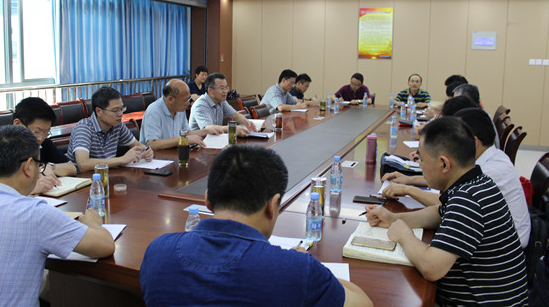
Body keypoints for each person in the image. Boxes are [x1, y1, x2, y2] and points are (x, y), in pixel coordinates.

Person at [139, 145, 372, 307]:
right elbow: (364, 304)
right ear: (272, 206)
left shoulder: (157, 251)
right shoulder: (296, 270)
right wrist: (311, 268)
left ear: (207, 200)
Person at [369, 118, 528, 306]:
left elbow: (432, 267)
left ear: (444, 164)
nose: (421, 167)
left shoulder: (468, 199)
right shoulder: (476, 182)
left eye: (423, 160)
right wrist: (394, 218)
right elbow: (438, 213)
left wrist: (404, 234)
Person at [0, 125, 115, 306]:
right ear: (28, 166)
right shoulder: (34, 213)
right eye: (39, 165)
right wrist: (92, 223)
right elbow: (105, 245)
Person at [382, 109, 531, 248]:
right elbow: (445, 206)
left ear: (472, 142)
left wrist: (408, 191)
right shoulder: (486, 160)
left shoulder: (487, 174)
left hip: (504, 245)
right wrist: (409, 181)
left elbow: (449, 204)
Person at [0, 97, 77, 194]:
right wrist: (29, 188)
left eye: (46, 133)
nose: (41, 138)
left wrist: (50, 167)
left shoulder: (43, 142)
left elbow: (72, 168)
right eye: (37, 132)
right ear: (17, 124)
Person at [67, 86, 153, 172]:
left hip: (107, 174)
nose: (120, 114)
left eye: (121, 109)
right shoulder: (84, 128)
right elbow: (83, 164)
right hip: (85, 178)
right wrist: (122, 159)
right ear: (99, 111)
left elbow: (136, 144)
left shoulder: (117, 125)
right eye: (115, 110)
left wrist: (146, 151)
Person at [139, 79, 222, 149]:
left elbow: (187, 133)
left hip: (173, 153)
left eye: (189, 99)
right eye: (185, 100)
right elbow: (153, 144)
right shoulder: (154, 111)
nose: (188, 103)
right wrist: (183, 140)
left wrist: (206, 131)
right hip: (155, 158)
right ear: (170, 99)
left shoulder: (179, 109)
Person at [188, 73, 257, 136]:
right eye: (221, 88)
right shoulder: (200, 105)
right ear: (210, 91)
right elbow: (208, 128)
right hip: (199, 142)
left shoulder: (221, 100)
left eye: (226, 88)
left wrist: (247, 122)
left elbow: (235, 115)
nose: (225, 91)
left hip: (215, 138)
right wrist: (231, 128)